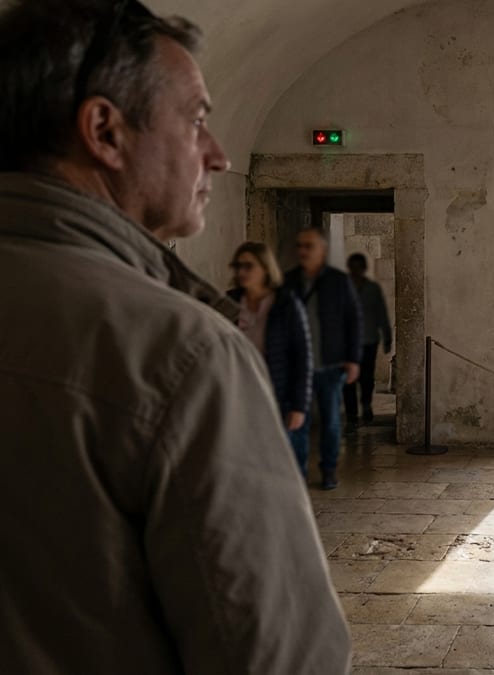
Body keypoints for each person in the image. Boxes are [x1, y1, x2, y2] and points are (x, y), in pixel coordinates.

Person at [0, 1, 351, 673]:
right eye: (195, 121)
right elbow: (278, 656)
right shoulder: (179, 353)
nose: (218, 157)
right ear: (105, 130)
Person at [284, 228, 362, 489]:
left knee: (330, 421)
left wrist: (353, 359)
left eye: (309, 246)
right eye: (300, 246)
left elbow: (353, 320)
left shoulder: (338, 281)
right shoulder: (289, 281)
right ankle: (299, 472)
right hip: (297, 368)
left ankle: (329, 469)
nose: (303, 251)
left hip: (330, 365)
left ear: (323, 250)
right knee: (298, 422)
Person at [228, 242, 313, 454]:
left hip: (275, 391)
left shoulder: (286, 304)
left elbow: (302, 357)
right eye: (238, 266)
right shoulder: (229, 302)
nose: (242, 272)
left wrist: (298, 405)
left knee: (273, 454)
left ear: (265, 268)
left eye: (249, 266)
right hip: (237, 392)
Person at [345, 252, 393, 429]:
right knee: (348, 380)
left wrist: (387, 337)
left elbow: (381, 314)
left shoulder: (372, 289)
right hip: (348, 342)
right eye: (354, 267)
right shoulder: (343, 288)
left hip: (369, 340)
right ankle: (351, 415)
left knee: (366, 377)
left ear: (364, 268)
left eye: (359, 267)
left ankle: (366, 405)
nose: (357, 271)